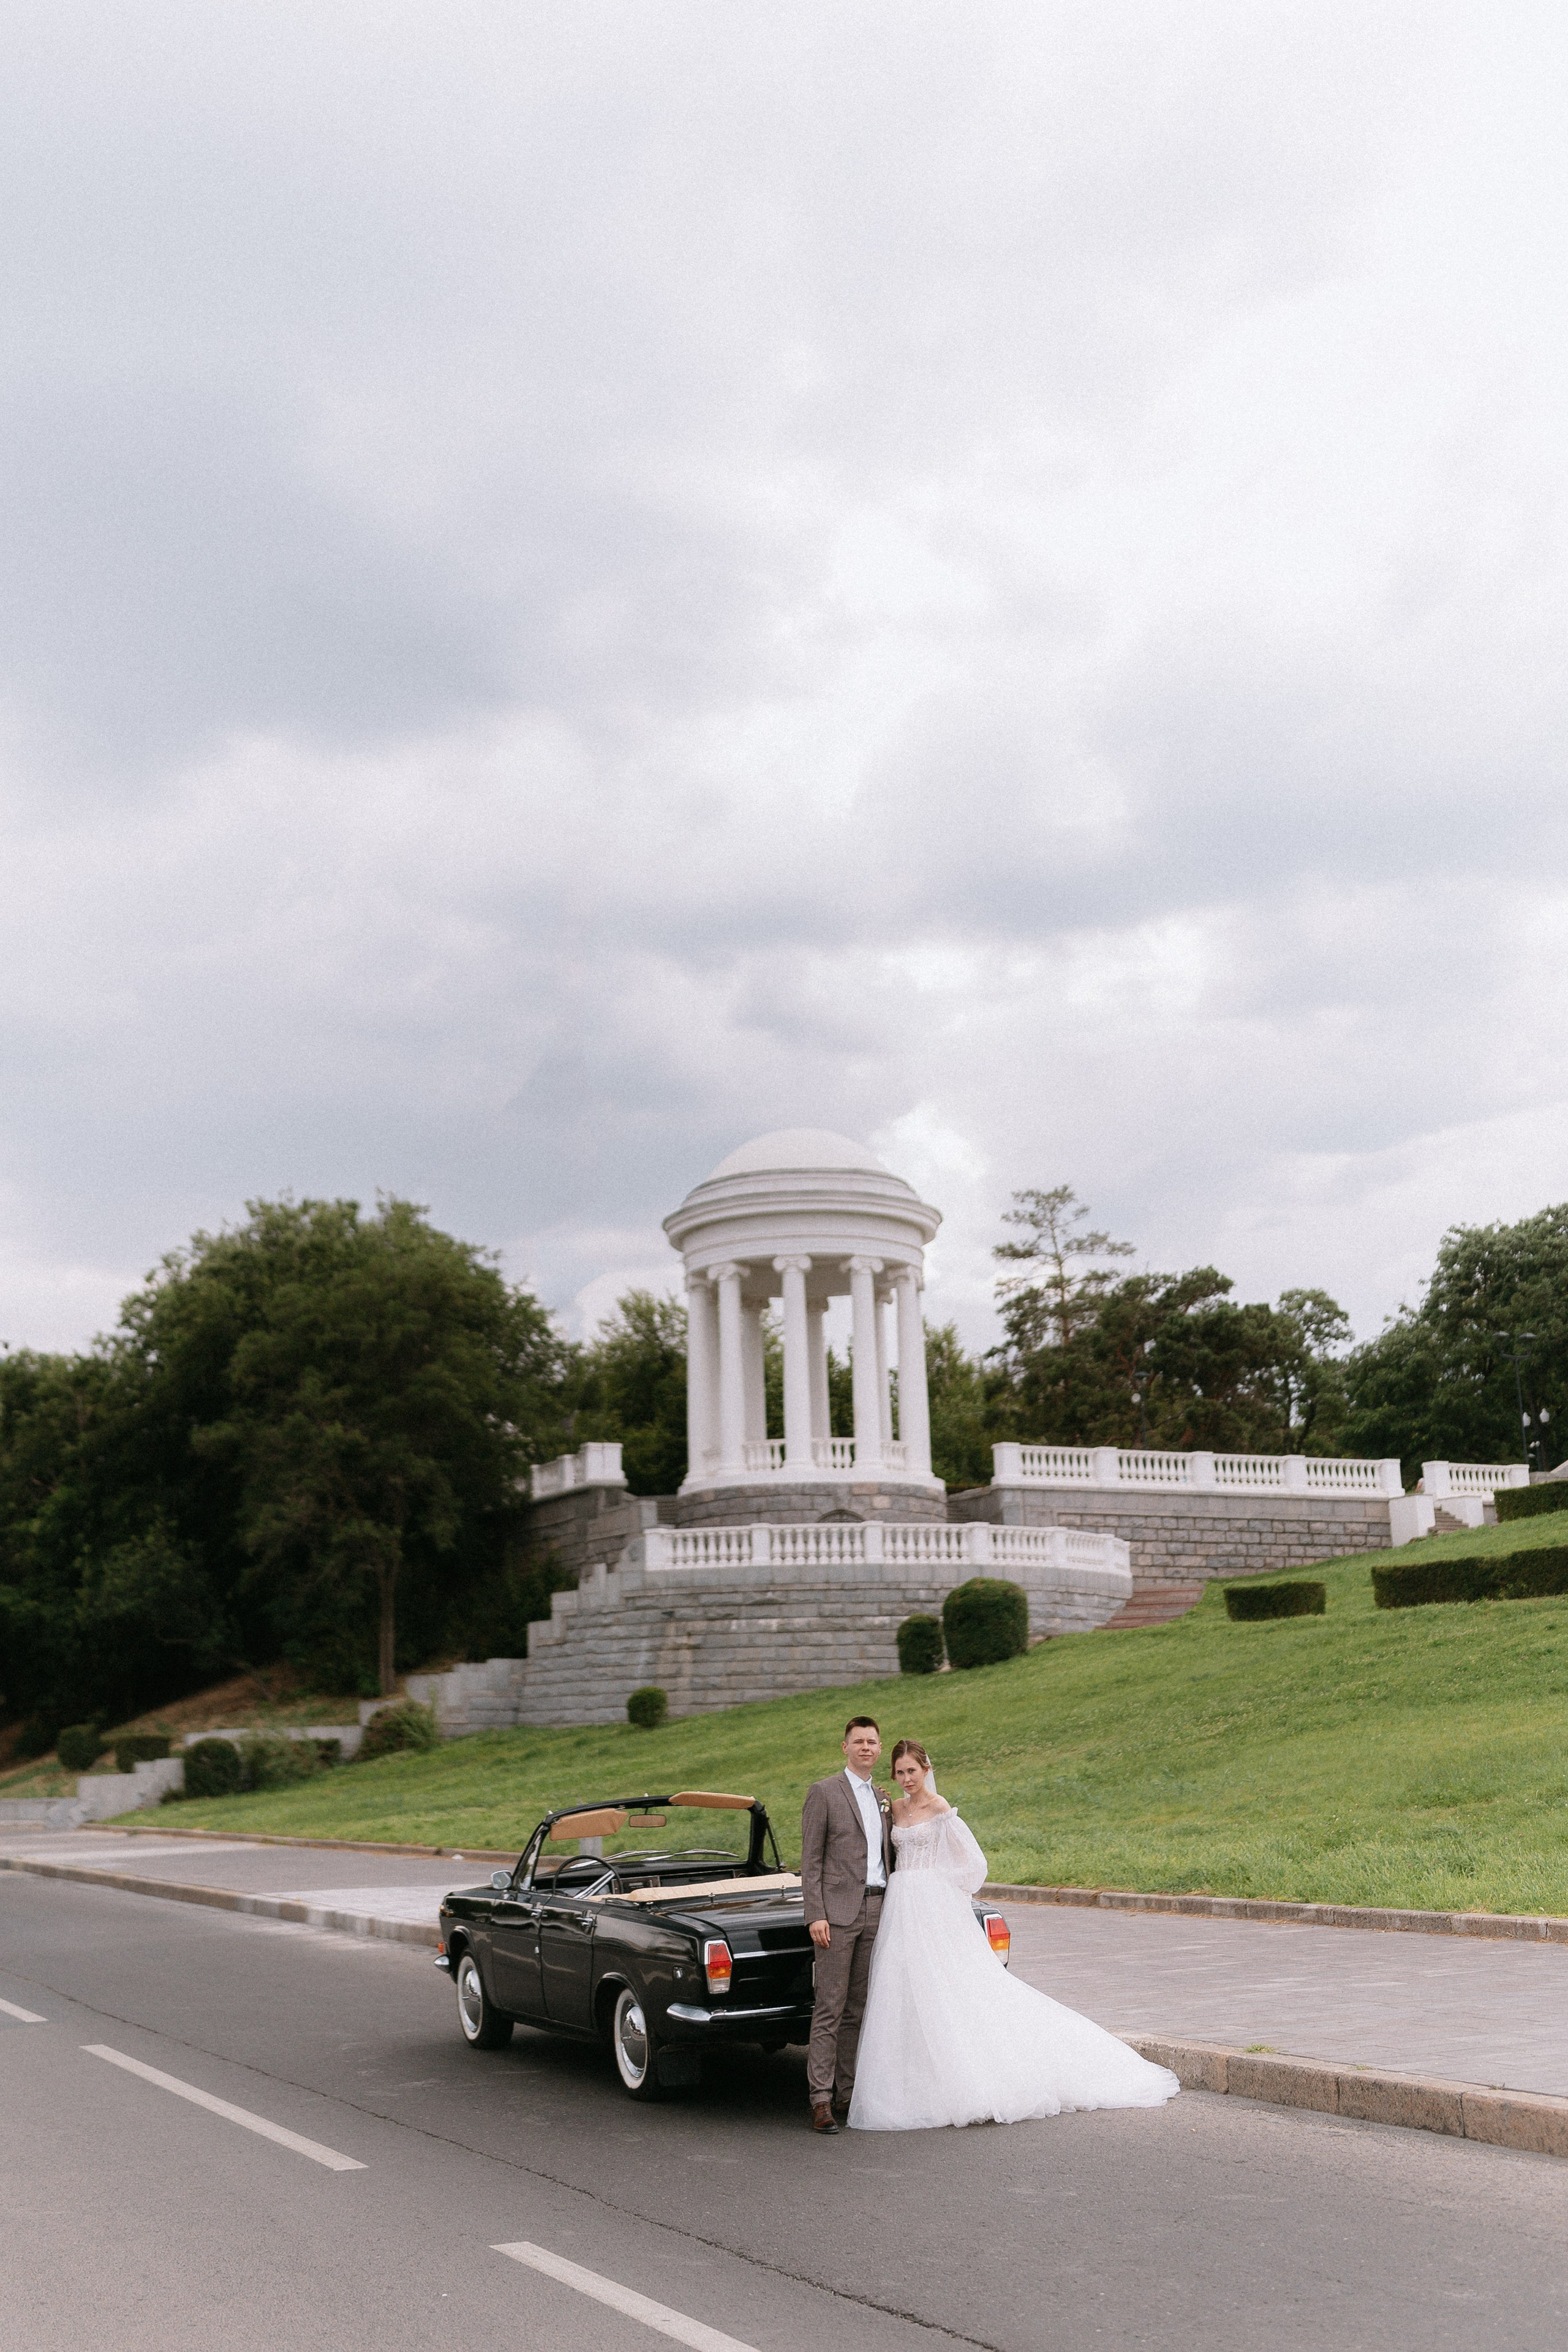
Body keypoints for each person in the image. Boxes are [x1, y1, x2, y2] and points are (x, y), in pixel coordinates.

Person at [847, 1738, 1180, 2132]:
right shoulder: (894, 1809)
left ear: (926, 1770)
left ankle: (977, 2076)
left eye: (912, 1771)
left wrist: (936, 1883)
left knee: (953, 1987)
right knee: (905, 1989)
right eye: (900, 1772)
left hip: (930, 1904)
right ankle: (916, 2080)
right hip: (901, 1905)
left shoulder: (939, 1809)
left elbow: (975, 1864)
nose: (906, 1779)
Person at [799, 1714, 895, 2135]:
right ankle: (820, 2099)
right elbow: (811, 1861)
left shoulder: (881, 1796)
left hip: (876, 1909)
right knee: (830, 2008)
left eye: (872, 1742)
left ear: (879, 1748)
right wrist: (815, 1914)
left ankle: (847, 2091)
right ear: (845, 1747)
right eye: (858, 1742)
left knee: (858, 2007)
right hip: (835, 1916)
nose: (866, 1748)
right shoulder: (824, 1792)